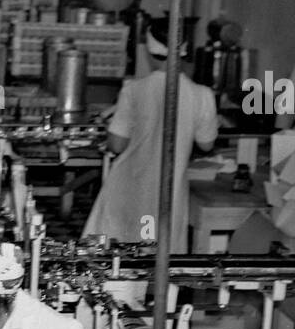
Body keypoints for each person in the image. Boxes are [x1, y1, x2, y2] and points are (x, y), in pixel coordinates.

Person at [83, 20, 219, 252]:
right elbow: (206, 144)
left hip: (129, 188)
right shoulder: (202, 94)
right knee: (156, 255)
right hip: (167, 193)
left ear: (151, 51)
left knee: (117, 257)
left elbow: (116, 144)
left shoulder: (134, 89)